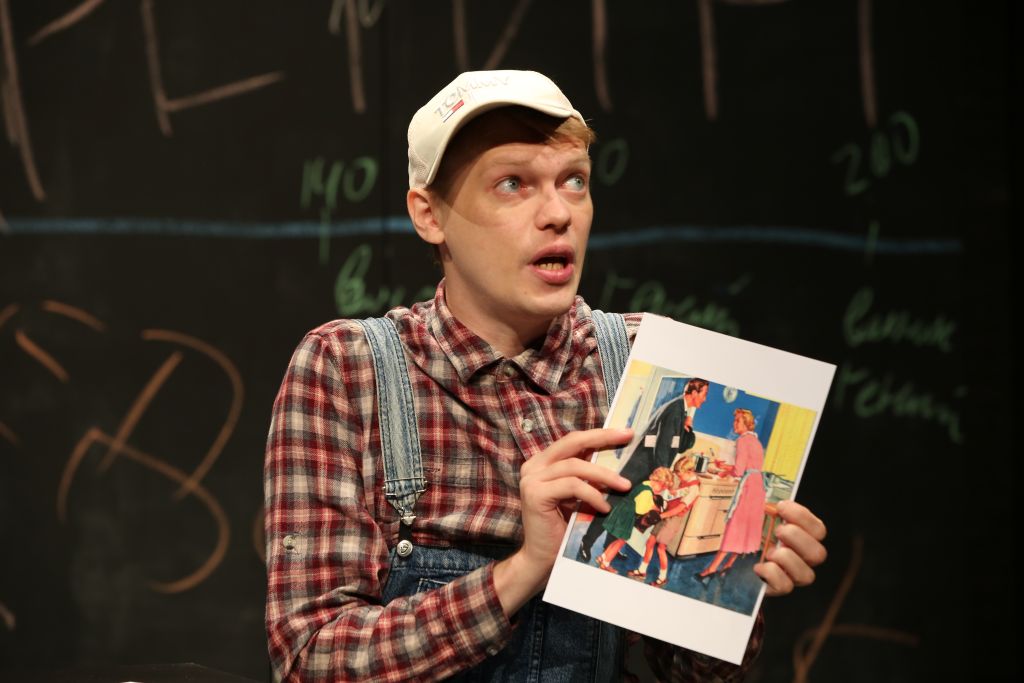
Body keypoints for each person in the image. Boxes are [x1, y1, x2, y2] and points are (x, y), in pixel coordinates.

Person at [264, 69, 827, 682]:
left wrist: (736, 591)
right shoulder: (349, 370)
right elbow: (311, 659)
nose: (558, 214)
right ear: (429, 215)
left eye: (574, 182)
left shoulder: (646, 364)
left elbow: (692, 675)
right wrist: (524, 569)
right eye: (513, 184)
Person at [576, 378, 708, 563]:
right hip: (638, 468)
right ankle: (586, 542)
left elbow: (680, 446)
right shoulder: (675, 409)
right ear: (694, 393)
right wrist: (663, 475)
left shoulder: (682, 411)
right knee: (613, 506)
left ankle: (609, 548)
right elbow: (662, 445)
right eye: (704, 394)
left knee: (629, 510)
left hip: (648, 468)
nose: (705, 399)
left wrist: (689, 427)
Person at [697, 409, 768, 581]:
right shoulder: (755, 441)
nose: (734, 424)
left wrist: (725, 470)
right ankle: (728, 565)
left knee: (734, 528)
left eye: (737, 421)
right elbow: (749, 467)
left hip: (748, 487)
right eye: (734, 420)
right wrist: (726, 468)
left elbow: (738, 471)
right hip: (758, 486)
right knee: (745, 528)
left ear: (746, 424)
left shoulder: (742, 440)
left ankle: (711, 569)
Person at [627, 455, 702, 586]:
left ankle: (662, 578)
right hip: (665, 514)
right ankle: (642, 570)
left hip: (673, 519)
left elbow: (679, 509)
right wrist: (672, 492)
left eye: (680, 475)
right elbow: (679, 493)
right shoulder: (687, 480)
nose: (679, 478)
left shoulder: (694, 489)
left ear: (689, 472)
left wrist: (660, 516)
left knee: (661, 548)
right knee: (650, 542)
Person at [593, 466, 677, 581]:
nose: (662, 490)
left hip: (622, 513)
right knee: (621, 541)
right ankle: (605, 564)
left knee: (617, 539)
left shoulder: (645, 484)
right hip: (627, 516)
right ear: (657, 481)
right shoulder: (647, 492)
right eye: (662, 487)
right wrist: (652, 508)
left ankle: (603, 557)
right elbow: (640, 510)